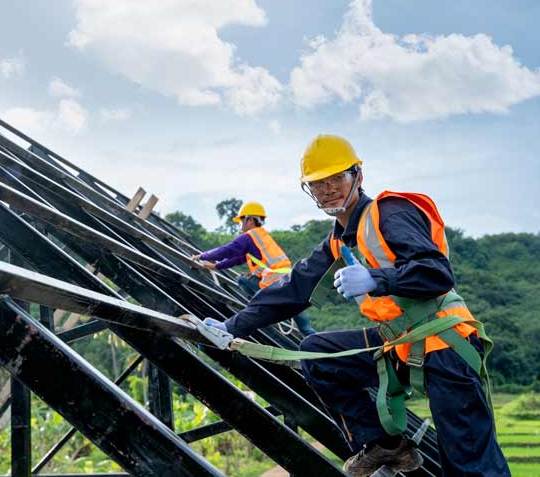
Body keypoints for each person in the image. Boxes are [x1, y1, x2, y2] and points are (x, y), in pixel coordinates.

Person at [204, 135, 509, 476]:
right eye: (318, 183)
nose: (328, 189)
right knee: (319, 357)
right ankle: (388, 446)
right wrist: (232, 326)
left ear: (358, 176)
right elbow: (293, 290)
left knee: (470, 465)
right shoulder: (338, 240)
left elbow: (436, 272)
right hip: (399, 342)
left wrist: (377, 280)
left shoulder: (390, 212)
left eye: (337, 178)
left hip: (445, 342)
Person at [192, 202, 316, 336]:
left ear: (250, 220)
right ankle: (323, 352)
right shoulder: (262, 237)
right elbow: (238, 258)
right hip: (292, 284)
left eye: (241, 221)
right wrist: (216, 266)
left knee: (241, 280)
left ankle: (261, 305)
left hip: (274, 286)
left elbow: (226, 251)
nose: (241, 225)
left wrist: (202, 256)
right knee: (305, 328)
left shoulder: (249, 237)